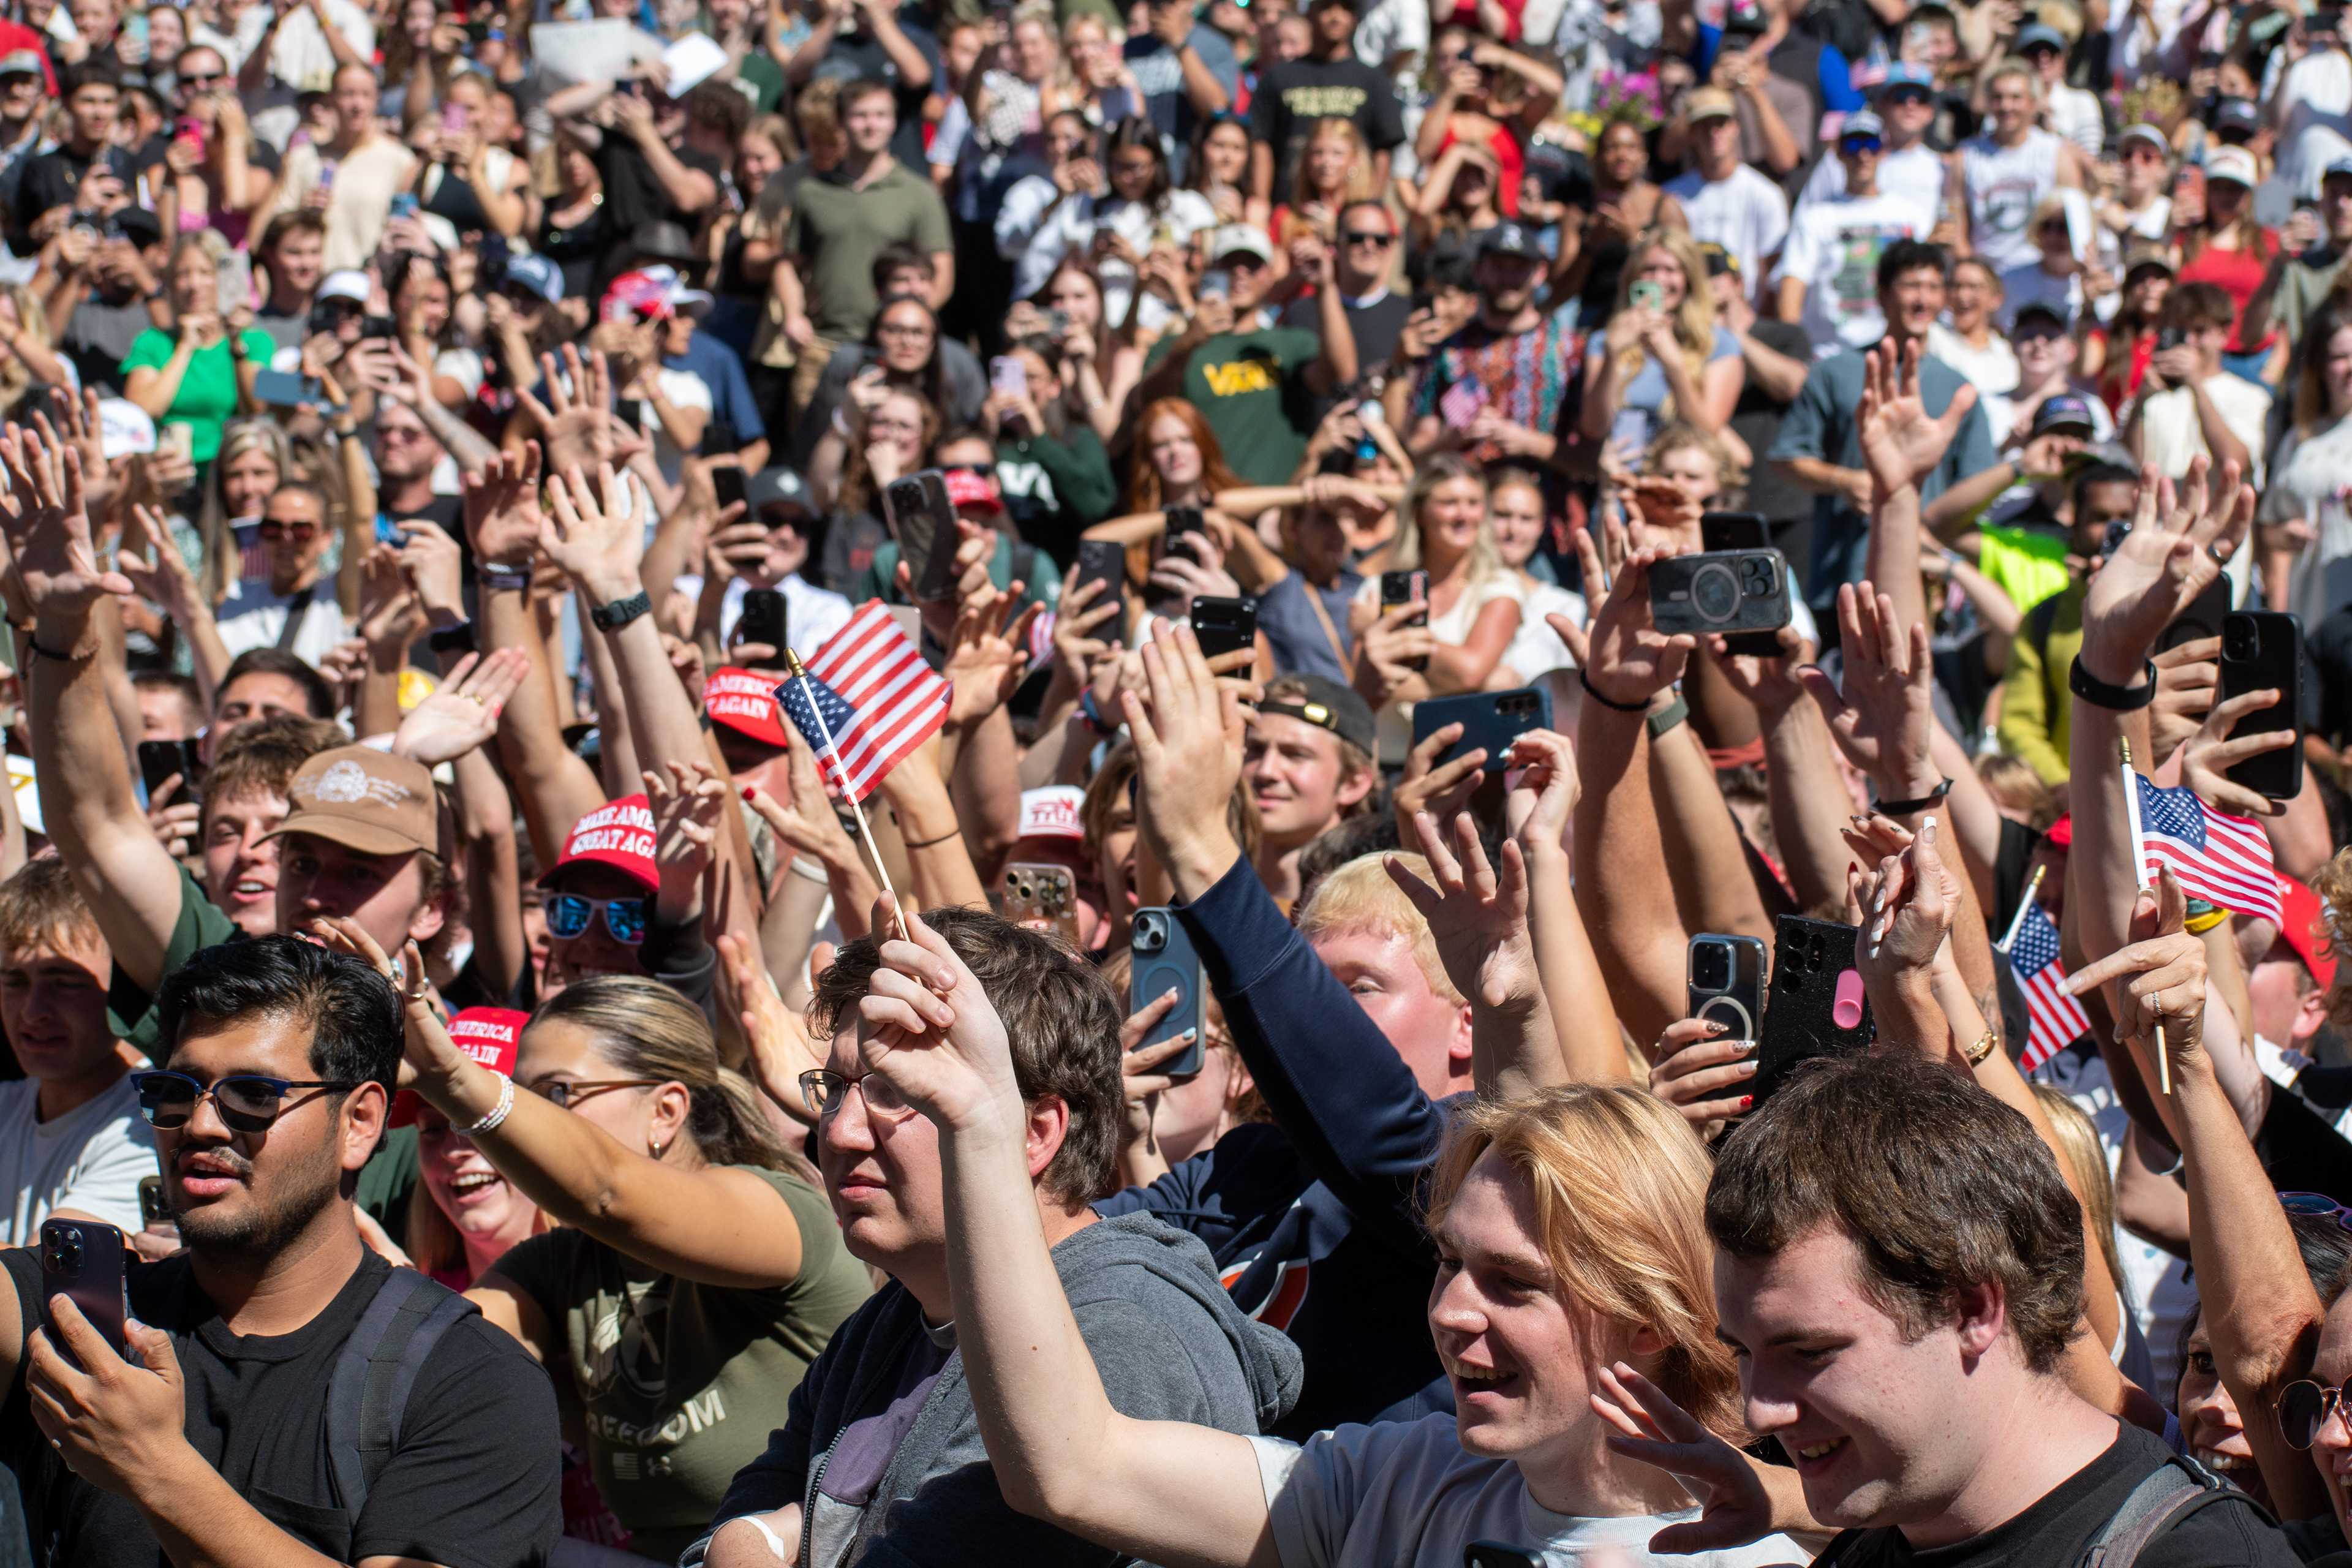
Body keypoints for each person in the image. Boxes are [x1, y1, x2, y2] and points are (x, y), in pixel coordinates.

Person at [833, 893, 1810, 1566]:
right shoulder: (1400, 1483)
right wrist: (985, 1124)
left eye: (1514, 1283)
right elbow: (1073, 1467)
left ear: (1649, 1315)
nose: (1453, 1313)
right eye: (1450, 1264)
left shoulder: (1756, 1558)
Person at [687, 904, 1301, 1568]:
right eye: (834, 1089)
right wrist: (741, 1541)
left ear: (1035, 1132)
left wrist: (759, 1544)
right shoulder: (891, 1320)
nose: (838, 1132)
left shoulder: (1124, 1335)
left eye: (896, 1090)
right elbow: (748, 1503)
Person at [0, 934, 562, 1567]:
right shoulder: (84, 1314)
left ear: (359, 1124)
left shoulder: (471, 1382)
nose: (203, 1124)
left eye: (253, 1095)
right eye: (175, 1091)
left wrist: (155, 1468)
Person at [383, 952, 875, 1564]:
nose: (533, 1119)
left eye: (556, 1093)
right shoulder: (562, 1264)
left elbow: (606, 1190)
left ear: (666, 1111)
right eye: (523, 1095)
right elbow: (442, 1352)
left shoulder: (776, 1209)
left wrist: (452, 1078)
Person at [1705, 1053, 2291, 1564]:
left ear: (1972, 1311)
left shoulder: (2195, 1556)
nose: (1760, 1413)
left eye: (1808, 1352)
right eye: (1744, 1353)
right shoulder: (1868, 1544)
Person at [1770, 240, 1996, 618]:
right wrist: (1843, 480)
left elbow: (1976, 489)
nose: (1922, 300)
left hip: (1926, 587)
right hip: (1839, 582)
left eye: (1933, 287)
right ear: (1883, 294)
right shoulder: (1836, 372)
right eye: (1911, 286)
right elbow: (1786, 459)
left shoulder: (1959, 389)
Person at [777, 78, 956, 427]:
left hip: (891, 354)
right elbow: (789, 264)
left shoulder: (918, 194)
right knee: (813, 452)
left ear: (893, 122)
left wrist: (910, 329)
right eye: (860, 116)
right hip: (823, 347)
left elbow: (943, 272)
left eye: (880, 115)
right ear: (841, 122)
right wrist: (793, 314)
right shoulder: (812, 191)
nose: (871, 124)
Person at [1140, 221, 1358, 485]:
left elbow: (1342, 373)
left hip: (1281, 510)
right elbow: (1146, 405)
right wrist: (1187, 344)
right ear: (1211, 273)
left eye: (1252, 265)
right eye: (1230, 264)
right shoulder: (1174, 347)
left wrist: (1325, 287)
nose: (1240, 273)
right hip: (1212, 507)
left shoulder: (1292, 343)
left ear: (1269, 276)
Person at [0, 856, 148, 1244]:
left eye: (64, 982)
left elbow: (34, 1289)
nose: (33, 1012)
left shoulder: (150, 1126)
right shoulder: (9, 1105)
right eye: (13, 981)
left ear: (126, 983)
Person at [1350, 455, 1520, 763]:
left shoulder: (1500, 586)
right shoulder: (1376, 589)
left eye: (1473, 502)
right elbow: (1364, 686)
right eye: (1449, 502)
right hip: (1387, 763)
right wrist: (1480, 687)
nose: (1463, 514)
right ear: (1419, 513)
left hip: (1465, 765)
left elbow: (1469, 672)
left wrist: (1381, 626)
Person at [1408, 221, 1580, 467]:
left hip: (1544, 498)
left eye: (1520, 268)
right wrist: (1455, 437)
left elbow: (1593, 458)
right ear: (1477, 270)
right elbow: (1417, 451)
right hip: (1468, 500)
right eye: (1499, 267)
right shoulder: (1449, 351)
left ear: (1540, 273)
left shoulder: (1569, 349)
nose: (1508, 278)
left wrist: (1530, 443)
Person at [1773, 111, 1934, 358]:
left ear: (1884, 151)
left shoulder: (1911, 216)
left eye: (1871, 144)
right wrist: (1794, 352)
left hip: (1895, 352)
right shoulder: (1816, 217)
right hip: (1830, 354)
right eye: (1853, 145)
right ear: (1838, 153)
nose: (1863, 155)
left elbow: (1929, 284)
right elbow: (1793, 285)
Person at [1580, 227, 1744, 457]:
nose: (1659, 279)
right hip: (1621, 477)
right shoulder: (1604, 341)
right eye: (1649, 269)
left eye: (1671, 270)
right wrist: (1612, 354)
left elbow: (1709, 435)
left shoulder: (1719, 343)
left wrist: (1673, 365)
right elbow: (1594, 428)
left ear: (1689, 278)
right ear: (1633, 277)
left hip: (1680, 480)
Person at [2123, 281, 2267, 532]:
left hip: (2220, 547)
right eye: (2179, 330)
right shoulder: (2151, 395)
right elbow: (2130, 470)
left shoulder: (2250, 396)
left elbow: (2236, 462)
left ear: (2224, 334)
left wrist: (2196, 386)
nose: (2189, 341)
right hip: (2158, 539)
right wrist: (2140, 404)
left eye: (2200, 331)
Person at [119, 234, 270, 467]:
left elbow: (258, 408)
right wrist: (184, 348)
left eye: (205, 273)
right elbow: (140, 412)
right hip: (170, 473)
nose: (193, 285)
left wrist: (236, 345)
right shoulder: (152, 342)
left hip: (230, 477)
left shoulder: (256, 342)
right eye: (182, 274)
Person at [1249, 0, 1404, 213]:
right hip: (1289, 209)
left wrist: (1370, 207)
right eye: (1326, 7)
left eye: (1346, 9)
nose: (1335, 17)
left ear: (1355, 18)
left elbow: (1383, 149)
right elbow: (1262, 143)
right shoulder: (1279, 76)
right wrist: (1261, 202)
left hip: (1351, 215)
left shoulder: (1373, 80)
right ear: (1310, 13)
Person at [1245, 673, 1378, 907]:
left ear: (1352, 783)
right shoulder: (1199, 885)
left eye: (1295, 754)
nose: (1266, 771)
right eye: (1255, 749)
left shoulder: (1373, 906)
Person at [2258, 303, 2352, 627]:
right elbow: (2269, 528)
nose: (2351, 366)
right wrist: (2286, 534)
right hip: (2308, 608)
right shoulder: (2301, 438)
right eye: (2340, 357)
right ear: (2320, 367)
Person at [1956, 58, 2085, 275]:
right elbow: (1956, 227)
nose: (2006, 106)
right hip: (1986, 276)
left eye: (2016, 97)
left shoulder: (2055, 154)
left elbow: (2077, 223)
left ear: (2033, 103)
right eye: (1998, 98)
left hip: (2039, 272)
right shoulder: (1967, 156)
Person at [1662, 88, 1789, 298]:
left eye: (1721, 123)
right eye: (1705, 126)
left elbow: (1773, 270)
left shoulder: (1766, 193)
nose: (1714, 133)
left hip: (1746, 314)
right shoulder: (1671, 196)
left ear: (1735, 128)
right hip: (1690, 311)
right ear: (1691, 134)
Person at [1279, 199, 1412, 374]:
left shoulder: (1409, 314)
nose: (1369, 246)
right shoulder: (1301, 312)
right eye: (1357, 238)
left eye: (1380, 240)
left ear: (1390, 247)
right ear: (1336, 245)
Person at [1124, 0, 1237, 184]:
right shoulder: (1131, 48)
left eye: (1170, 2)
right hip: (1135, 179)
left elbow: (1217, 108)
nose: (1160, 7)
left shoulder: (1215, 46)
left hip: (1186, 177)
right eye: (1154, 2)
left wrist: (1180, 44)